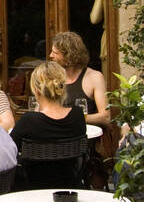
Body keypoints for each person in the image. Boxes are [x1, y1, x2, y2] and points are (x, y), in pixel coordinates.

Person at [9, 61, 87, 190]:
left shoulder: (29, 121)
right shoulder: (77, 115)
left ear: (37, 91)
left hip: (30, 191)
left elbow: (9, 150)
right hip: (69, 188)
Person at [49, 30, 110, 127]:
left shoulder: (94, 77)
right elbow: (40, 110)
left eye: (55, 53)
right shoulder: (52, 77)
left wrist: (76, 117)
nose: (50, 55)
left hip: (84, 137)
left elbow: (106, 117)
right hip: (56, 136)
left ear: (68, 56)